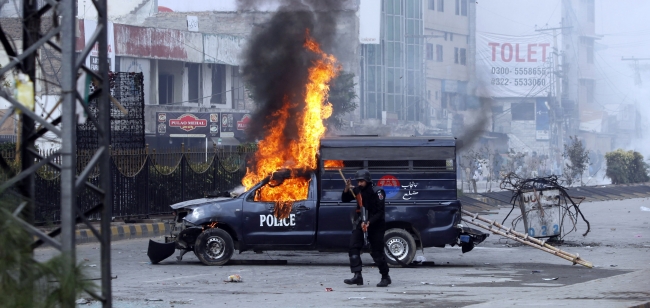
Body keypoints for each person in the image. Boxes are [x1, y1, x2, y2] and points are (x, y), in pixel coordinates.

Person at [341, 169, 390, 287]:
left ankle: (385, 276)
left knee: (376, 252)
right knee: (353, 247)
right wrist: (347, 189)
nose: (359, 184)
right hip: (360, 222)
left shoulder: (378, 192)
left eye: (362, 181)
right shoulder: (357, 190)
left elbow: (380, 212)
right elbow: (345, 199)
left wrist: (369, 222)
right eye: (358, 181)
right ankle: (357, 276)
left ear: (367, 180)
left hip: (376, 225)